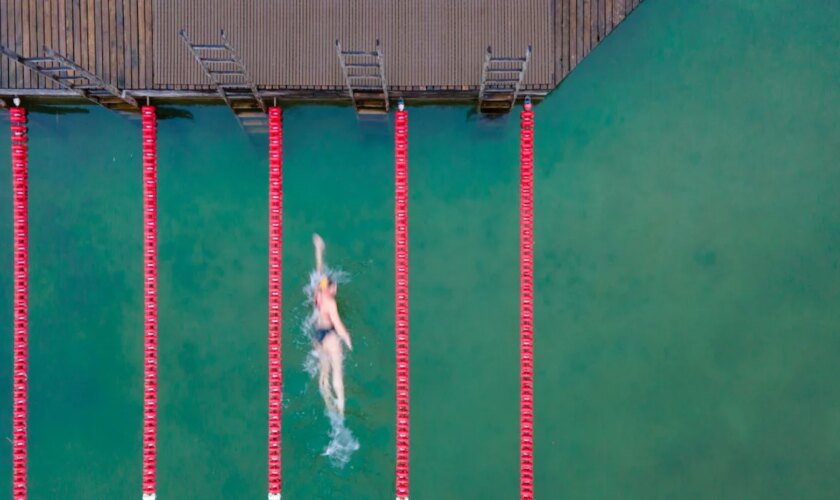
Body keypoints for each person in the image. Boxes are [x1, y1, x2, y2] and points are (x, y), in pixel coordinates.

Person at [311, 234, 353, 417]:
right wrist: (347, 338)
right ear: (331, 289)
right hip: (329, 336)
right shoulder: (330, 302)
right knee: (337, 374)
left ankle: (328, 404)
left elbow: (319, 271)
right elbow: (338, 324)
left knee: (323, 374)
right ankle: (341, 410)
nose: (336, 288)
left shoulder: (317, 295)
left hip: (317, 334)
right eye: (334, 286)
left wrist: (319, 250)